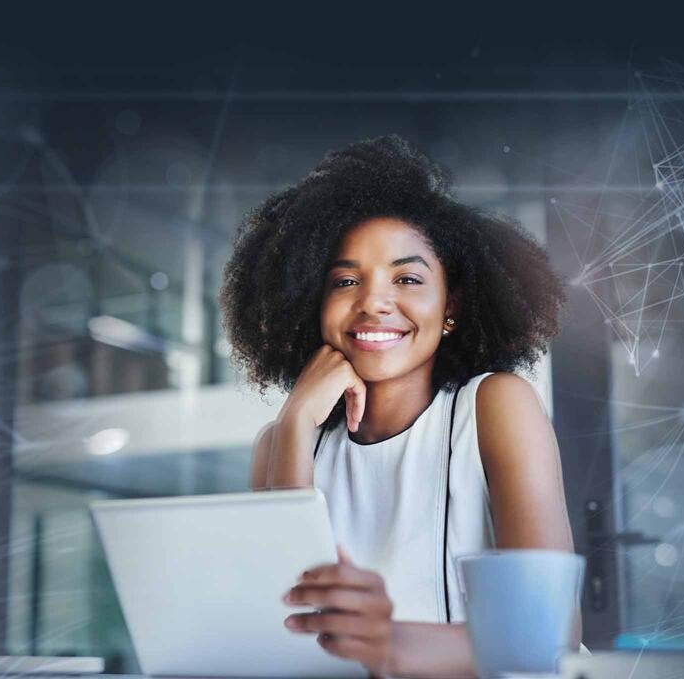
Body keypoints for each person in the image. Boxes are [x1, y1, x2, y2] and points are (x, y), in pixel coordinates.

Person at [219, 135, 575, 677]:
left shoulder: (493, 406)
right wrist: (294, 423)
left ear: (451, 307)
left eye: (407, 278)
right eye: (345, 280)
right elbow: (285, 637)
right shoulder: (283, 438)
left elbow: (549, 635)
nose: (374, 302)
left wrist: (385, 642)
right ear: (312, 306)